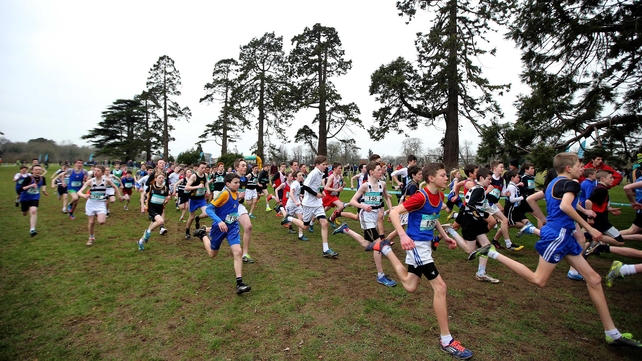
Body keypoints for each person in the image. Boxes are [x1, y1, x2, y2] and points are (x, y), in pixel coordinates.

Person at [468, 152, 642, 348]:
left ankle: (612, 333)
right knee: (538, 280)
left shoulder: (552, 183)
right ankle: (491, 252)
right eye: (579, 165)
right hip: (558, 236)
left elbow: (532, 200)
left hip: (563, 235)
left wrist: (544, 220)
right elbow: (567, 207)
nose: (582, 168)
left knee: (594, 279)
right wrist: (589, 227)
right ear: (568, 168)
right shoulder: (572, 184)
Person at [366, 163, 473, 360]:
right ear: (431, 178)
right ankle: (446, 340)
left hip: (424, 245)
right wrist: (402, 236)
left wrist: (443, 236)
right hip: (416, 246)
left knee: (411, 285)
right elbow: (396, 212)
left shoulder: (438, 196)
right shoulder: (420, 196)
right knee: (440, 287)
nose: (446, 178)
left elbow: (434, 217)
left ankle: (386, 249)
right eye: (443, 175)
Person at [333, 162, 396, 287]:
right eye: (378, 170)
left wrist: (390, 209)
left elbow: (385, 197)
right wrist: (363, 205)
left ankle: (346, 229)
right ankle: (380, 275)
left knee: (367, 243)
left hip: (375, 215)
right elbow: (352, 201)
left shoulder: (382, 184)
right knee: (379, 244)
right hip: (366, 216)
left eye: (381, 170)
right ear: (371, 172)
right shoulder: (365, 186)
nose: (381, 171)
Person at [192, 173, 251, 295]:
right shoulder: (224, 193)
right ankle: (203, 234)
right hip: (219, 228)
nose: (238, 184)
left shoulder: (235, 192)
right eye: (235, 182)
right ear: (228, 183)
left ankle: (240, 284)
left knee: (238, 252)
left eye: (239, 182)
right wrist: (219, 222)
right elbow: (209, 209)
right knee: (212, 254)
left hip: (233, 226)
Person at [281, 155, 338, 258]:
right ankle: (288, 218)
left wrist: (320, 193)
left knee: (324, 223)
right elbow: (306, 186)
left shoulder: (320, 172)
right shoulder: (314, 173)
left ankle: (326, 250)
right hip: (308, 204)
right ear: (317, 165)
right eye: (323, 164)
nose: (326, 166)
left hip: (317, 203)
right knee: (305, 226)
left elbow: (314, 187)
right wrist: (316, 194)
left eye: (326, 164)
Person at [77, 165, 122, 246]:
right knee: (91, 222)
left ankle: (98, 214)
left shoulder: (106, 181)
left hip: (101, 203)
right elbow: (79, 192)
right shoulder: (90, 181)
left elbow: (115, 186)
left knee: (101, 221)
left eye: (98, 171)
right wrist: (83, 195)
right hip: (91, 203)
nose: (96, 172)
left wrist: (119, 196)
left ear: (103, 173)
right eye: (95, 170)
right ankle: (91, 237)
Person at [137, 172, 171, 251]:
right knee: (161, 221)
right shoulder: (151, 187)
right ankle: (147, 232)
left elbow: (164, 200)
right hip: (151, 208)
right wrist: (142, 205)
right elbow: (143, 194)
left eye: (162, 178)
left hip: (160, 209)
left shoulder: (165, 188)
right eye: (159, 178)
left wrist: (167, 200)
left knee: (152, 226)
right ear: (155, 179)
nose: (161, 179)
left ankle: (140, 241)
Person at [19, 164, 49, 237]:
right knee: (24, 212)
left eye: (39, 169)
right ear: (32, 171)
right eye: (36, 170)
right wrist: (31, 185)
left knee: (33, 211)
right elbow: (21, 188)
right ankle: (24, 211)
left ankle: (32, 229)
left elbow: (44, 184)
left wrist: (44, 190)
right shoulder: (28, 178)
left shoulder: (42, 178)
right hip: (25, 197)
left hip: (35, 197)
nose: (38, 171)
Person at [184, 162, 210, 240]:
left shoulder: (205, 175)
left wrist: (208, 190)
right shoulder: (194, 176)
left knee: (206, 213)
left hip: (201, 199)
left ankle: (198, 218)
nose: (203, 169)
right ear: (198, 168)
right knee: (191, 217)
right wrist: (197, 186)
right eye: (202, 168)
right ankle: (187, 232)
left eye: (205, 168)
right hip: (193, 199)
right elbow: (186, 187)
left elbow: (206, 183)